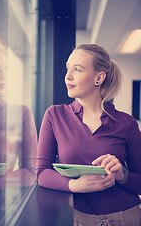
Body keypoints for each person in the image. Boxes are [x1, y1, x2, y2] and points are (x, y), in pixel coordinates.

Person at [37, 44, 141, 225]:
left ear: (99, 78)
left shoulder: (127, 123)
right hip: (77, 219)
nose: (68, 76)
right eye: (68, 68)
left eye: (77, 69)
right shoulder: (54, 115)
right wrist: (74, 185)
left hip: (127, 217)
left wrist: (121, 175)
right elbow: (41, 173)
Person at [0, 44, 37, 191]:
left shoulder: (20, 114)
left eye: (5, 68)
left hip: (3, 209)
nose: (4, 75)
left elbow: (31, 172)